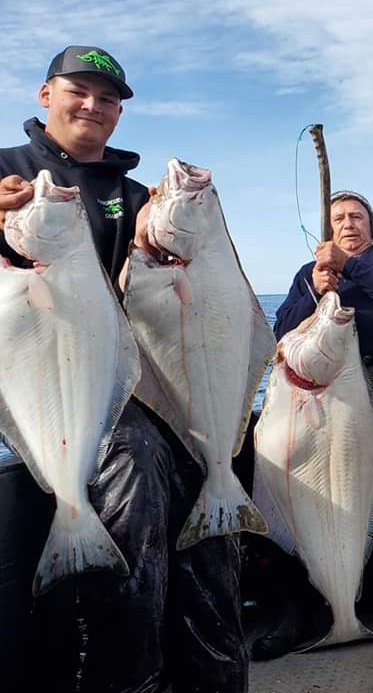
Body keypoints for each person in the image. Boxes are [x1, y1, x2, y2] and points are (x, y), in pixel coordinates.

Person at [0, 46, 248, 691]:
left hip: (132, 386)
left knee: (212, 503)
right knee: (133, 477)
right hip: (51, 389)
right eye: (78, 91)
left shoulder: (135, 195)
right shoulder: (6, 174)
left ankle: (214, 679)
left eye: (108, 98)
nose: (93, 105)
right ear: (44, 94)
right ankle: (130, 678)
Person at [273, 190, 373, 650]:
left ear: (371, 225)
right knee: (312, 488)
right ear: (328, 231)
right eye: (339, 217)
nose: (348, 223)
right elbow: (282, 331)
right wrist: (315, 291)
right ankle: (308, 603)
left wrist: (350, 264)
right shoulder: (310, 274)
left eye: (357, 216)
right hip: (327, 388)